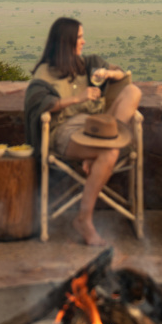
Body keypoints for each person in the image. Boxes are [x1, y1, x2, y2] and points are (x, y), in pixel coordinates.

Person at [23, 17, 142, 246]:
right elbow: (39, 104)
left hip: (97, 124)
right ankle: (83, 219)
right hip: (66, 130)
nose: (83, 42)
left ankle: (100, 147)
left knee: (133, 92)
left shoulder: (87, 65)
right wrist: (77, 98)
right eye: (79, 37)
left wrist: (108, 74)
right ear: (65, 41)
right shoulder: (45, 74)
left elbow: (121, 75)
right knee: (109, 154)